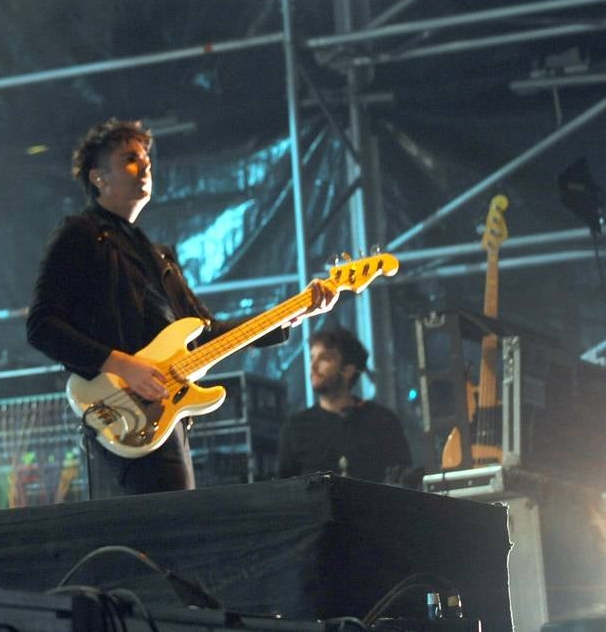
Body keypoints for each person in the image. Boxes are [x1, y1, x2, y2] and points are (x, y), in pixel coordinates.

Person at [26, 118, 335, 497]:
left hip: (164, 420)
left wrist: (296, 310)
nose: (145, 168)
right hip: (119, 409)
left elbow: (210, 334)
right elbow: (42, 326)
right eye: (130, 160)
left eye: (147, 160)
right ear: (98, 178)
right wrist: (124, 365)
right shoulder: (81, 235)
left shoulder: (160, 258)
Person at [277, 326, 412, 483]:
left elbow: (404, 483)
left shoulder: (382, 421)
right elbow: (283, 493)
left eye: (325, 358)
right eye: (312, 357)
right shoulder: (295, 428)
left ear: (348, 370)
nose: (313, 367)